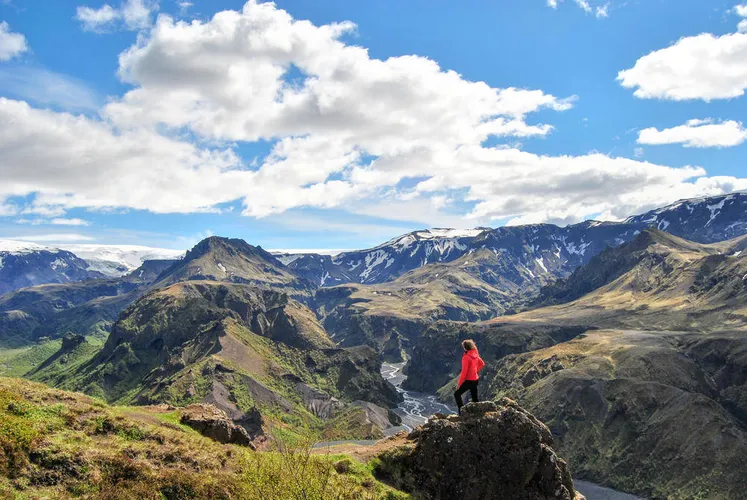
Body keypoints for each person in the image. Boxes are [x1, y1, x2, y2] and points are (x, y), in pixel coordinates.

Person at [454, 339, 485, 414]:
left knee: (456, 394)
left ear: (465, 347)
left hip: (469, 380)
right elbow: (482, 364)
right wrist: (475, 371)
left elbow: (464, 372)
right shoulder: (475, 354)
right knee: (475, 398)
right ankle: (478, 413)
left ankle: (461, 412)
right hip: (475, 380)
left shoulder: (466, 357)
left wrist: (459, 384)